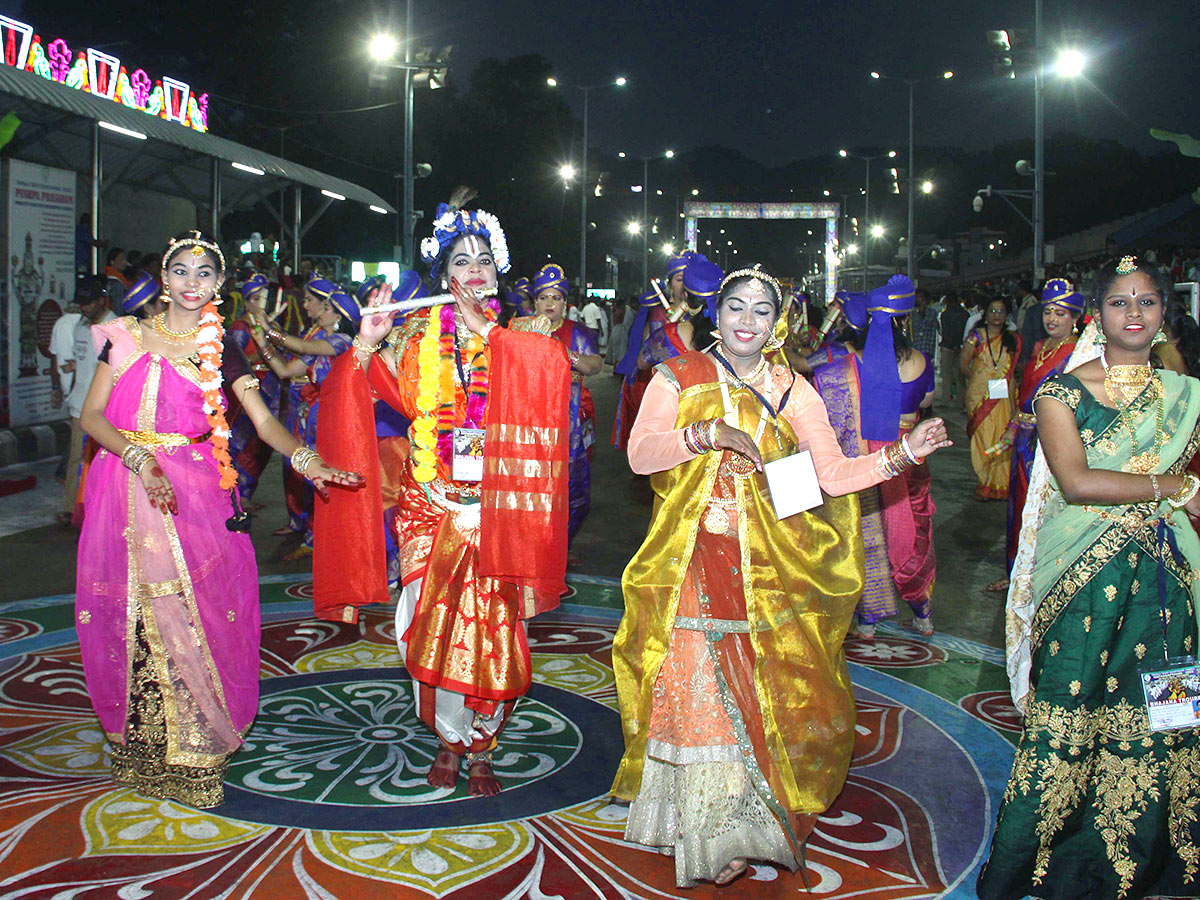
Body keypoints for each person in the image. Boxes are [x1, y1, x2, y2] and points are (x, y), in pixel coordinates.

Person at [612, 264, 952, 887]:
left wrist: (905, 455)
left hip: (772, 570)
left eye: (760, 311)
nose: (746, 321)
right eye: (735, 307)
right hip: (694, 564)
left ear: (778, 322)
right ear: (715, 314)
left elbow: (831, 476)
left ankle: (743, 821)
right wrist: (706, 432)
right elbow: (640, 455)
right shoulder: (679, 376)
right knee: (704, 693)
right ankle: (705, 823)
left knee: (767, 694)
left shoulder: (794, 391)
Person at [74, 231, 359, 808]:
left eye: (204, 275)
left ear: (219, 286)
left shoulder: (222, 350)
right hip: (124, 487)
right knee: (128, 610)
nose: (191, 284)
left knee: (195, 607)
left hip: (195, 492)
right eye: (180, 271)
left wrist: (306, 459)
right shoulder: (124, 337)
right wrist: (139, 457)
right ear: (164, 278)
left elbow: (261, 419)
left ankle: (196, 745)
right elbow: (92, 417)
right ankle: (142, 747)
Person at [315, 188, 571, 796]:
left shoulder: (527, 336)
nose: (474, 269)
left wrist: (496, 338)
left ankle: (482, 743)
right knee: (423, 625)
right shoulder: (414, 338)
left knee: (495, 629)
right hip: (429, 509)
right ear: (443, 273)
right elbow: (355, 389)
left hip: (500, 509)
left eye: (484, 258)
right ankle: (446, 738)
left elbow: (554, 389)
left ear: (498, 271)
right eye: (461, 260)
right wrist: (372, 339)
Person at [981, 255, 1200, 900]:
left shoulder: (1187, 396)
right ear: (1097, 316)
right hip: (1084, 583)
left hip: (1169, 584)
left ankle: (1166, 854)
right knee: (1070, 713)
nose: (1134, 313)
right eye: (1118, 303)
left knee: (1170, 713)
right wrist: (1172, 487)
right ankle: (1044, 860)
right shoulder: (1062, 392)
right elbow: (1076, 484)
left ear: (1164, 315)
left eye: (1148, 302)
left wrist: (1184, 494)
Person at [812, 277, 938, 637]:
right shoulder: (921, 360)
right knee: (912, 531)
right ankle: (922, 609)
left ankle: (868, 617)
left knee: (868, 530)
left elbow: (803, 365)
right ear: (903, 322)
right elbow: (926, 401)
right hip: (910, 452)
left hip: (865, 453)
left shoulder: (847, 361)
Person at [986, 278, 1082, 593]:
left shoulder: (1079, 354)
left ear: (1075, 317)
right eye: (1048, 312)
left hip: (1049, 439)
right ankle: (1016, 573)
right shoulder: (1040, 346)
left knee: (1045, 506)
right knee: (1019, 506)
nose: (1052, 319)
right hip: (1024, 439)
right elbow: (1024, 395)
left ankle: (1042, 577)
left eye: (1061, 314)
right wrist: (1011, 431)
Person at [249, 276, 354, 554]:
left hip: (333, 417)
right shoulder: (320, 341)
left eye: (319, 305)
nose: (312, 308)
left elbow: (304, 348)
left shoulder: (341, 341)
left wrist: (269, 330)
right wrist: (262, 340)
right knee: (305, 470)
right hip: (312, 416)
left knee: (324, 473)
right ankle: (312, 533)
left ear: (336, 314)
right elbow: (284, 370)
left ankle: (321, 537)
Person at [532, 263, 602, 554]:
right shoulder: (521, 328)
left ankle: (563, 544)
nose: (550, 303)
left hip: (571, 418)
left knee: (574, 486)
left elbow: (595, 366)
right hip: (533, 416)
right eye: (544, 297)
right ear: (535, 301)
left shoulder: (578, 332)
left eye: (556, 298)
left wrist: (563, 353)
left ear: (565, 303)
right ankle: (539, 544)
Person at [612, 251, 699, 450]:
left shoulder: (707, 316)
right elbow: (645, 356)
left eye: (690, 278)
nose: (685, 284)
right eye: (679, 279)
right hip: (667, 388)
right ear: (670, 286)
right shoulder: (660, 314)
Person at [59, 277, 114, 525]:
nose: (84, 307)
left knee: (104, 463)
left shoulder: (115, 329)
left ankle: (102, 512)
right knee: (77, 460)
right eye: (81, 303)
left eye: (89, 302)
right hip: (79, 406)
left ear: (103, 299)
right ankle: (73, 510)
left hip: (106, 410)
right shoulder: (80, 327)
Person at [224, 273, 283, 507]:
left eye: (264, 299)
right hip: (249, 386)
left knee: (265, 445)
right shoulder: (241, 327)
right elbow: (237, 361)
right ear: (247, 301)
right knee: (245, 441)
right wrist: (266, 348)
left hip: (270, 385)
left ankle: (249, 492)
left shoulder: (270, 323)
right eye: (256, 299)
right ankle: (240, 494)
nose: (262, 304)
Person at [962, 297, 1021, 499]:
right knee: (982, 438)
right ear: (985, 314)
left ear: (1006, 316)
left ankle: (1000, 485)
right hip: (979, 397)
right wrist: (979, 381)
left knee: (1002, 437)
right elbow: (963, 366)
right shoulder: (975, 337)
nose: (997, 315)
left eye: (1001, 311)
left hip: (1004, 397)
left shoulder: (1013, 339)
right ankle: (984, 482)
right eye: (993, 311)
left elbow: (1016, 369)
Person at [938, 291, 968, 405]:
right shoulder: (965, 314)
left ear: (948, 301)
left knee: (947, 375)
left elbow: (946, 331)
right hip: (961, 347)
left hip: (948, 346)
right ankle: (961, 401)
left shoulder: (945, 314)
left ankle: (946, 400)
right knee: (960, 375)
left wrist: (951, 344)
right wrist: (958, 344)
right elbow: (965, 331)